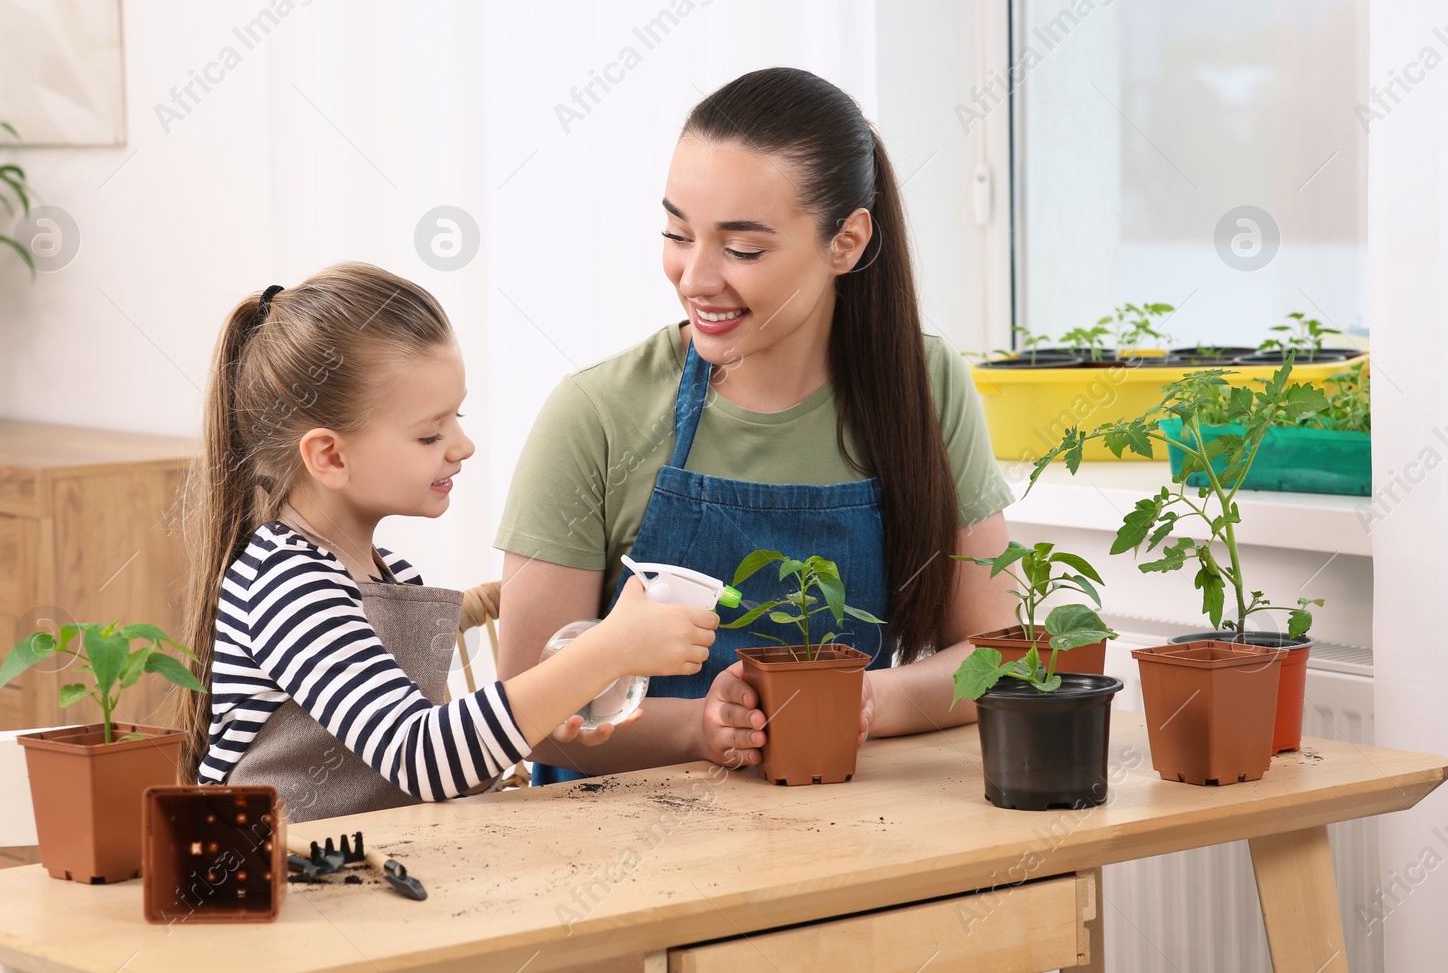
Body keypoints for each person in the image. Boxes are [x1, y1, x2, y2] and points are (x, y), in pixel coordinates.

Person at [494, 68, 1017, 783]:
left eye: (741, 249)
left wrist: (865, 700)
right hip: (622, 855)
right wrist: (701, 728)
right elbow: (522, 717)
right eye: (678, 233)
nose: (695, 277)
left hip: (849, 823)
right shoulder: (595, 414)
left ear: (847, 241)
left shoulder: (922, 385)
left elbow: (998, 653)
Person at [173, 263, 718, 819]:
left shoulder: (394, 577)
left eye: (456, 416)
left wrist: (550, 712)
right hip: (269, 879)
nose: (463, 446)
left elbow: (445, 763)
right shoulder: (285, 582)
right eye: (430, 433)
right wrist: (607, 651)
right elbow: (421, 756)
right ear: (330, 456)